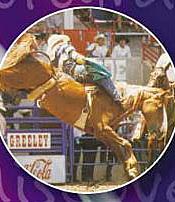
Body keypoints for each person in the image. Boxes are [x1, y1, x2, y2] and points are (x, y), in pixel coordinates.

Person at [46, 34, 121, 104]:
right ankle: (116, 96)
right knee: (101, 74)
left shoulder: (54, 57)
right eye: (68, 42)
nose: (70, 43)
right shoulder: (66, 48)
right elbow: (77, 58)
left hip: (68, 76)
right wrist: (86, 61)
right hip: (77, 71)